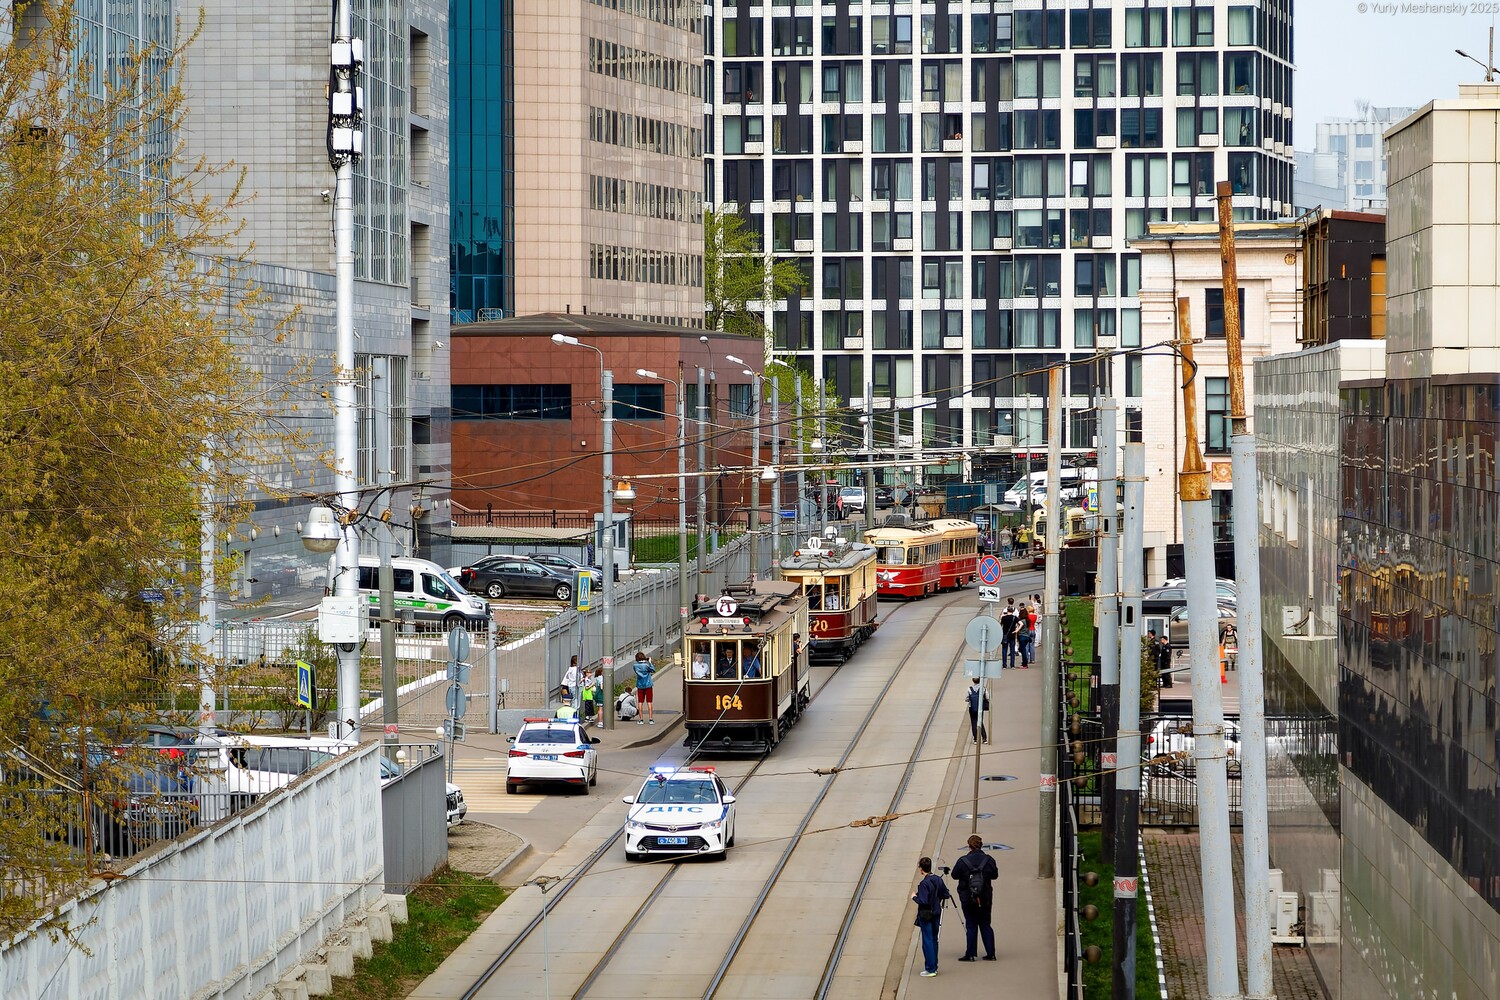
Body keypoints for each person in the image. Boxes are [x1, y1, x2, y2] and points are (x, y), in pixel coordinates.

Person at [950, 834, 999, 961]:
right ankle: (991, 953)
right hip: (985, 897)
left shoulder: (963, 861)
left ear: (969, 846)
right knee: (985, 924)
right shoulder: (989, 860)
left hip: (968, 897)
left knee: (971, 924)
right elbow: (995, 875)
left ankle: (970, 954)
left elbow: (954, 875)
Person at [912, 856, 953, 977]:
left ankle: (930, 968)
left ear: (921, 869)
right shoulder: (937, 879)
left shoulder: (924, 883)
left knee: (927, 940)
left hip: (926, 914)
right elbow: (946, 894)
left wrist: (914, 897)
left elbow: (923, 901)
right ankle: (934, 965)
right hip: (936, 912)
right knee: (934, 939)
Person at [633, 651, 656, 725]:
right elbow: (653, 670)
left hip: (640, 685)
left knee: (640, 702)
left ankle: (641, 719)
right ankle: (651, 719)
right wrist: (649, 662)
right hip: (648, 685)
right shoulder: (646, 665)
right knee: (649, 702)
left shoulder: (635, 666)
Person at [965, 678, 989, 744]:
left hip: (972, 708)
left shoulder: (969, 689)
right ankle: (984, 738)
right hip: (980, 708)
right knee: (980, 722)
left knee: (973, 722)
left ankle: (975, 739)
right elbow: (987, 697)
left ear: (973, 681)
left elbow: (966, 698)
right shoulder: (983, 688)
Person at [999, 601, 1019, 669]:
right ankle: (1012, 665)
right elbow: (1021, 624)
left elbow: (1000, 625)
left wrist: (1002, 615)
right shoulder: (1014, 618)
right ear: (1013, 611)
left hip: (1005, 635)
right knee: (1012, 650)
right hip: (1012, 635)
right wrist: (1016, 630)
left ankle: (1004, 665)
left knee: (1004, 650)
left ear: (1007, 611)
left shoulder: (1004, 618)